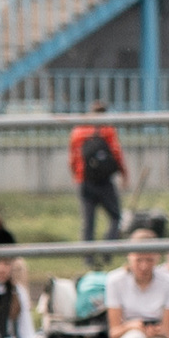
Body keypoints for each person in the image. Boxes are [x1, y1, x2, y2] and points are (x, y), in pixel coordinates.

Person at [70, 103, 127, 253]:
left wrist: (76, 176)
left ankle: (88, 257)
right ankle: (108, 250)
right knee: (116, 217)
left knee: (88, 222)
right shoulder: (107, 130)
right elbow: (117, 153)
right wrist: (123, 174)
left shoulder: (79, 131)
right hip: (104, 181)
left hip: (84, 180)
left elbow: (73, 158)